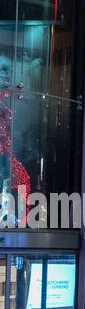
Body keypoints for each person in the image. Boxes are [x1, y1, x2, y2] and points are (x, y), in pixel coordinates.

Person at [0, 52, 31, 228]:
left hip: (8, 149)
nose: (4, 76)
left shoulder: (12, 97)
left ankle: (22, 218)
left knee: (22, 179)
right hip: (4, 149)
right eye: (1, 72)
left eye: (6, 72)